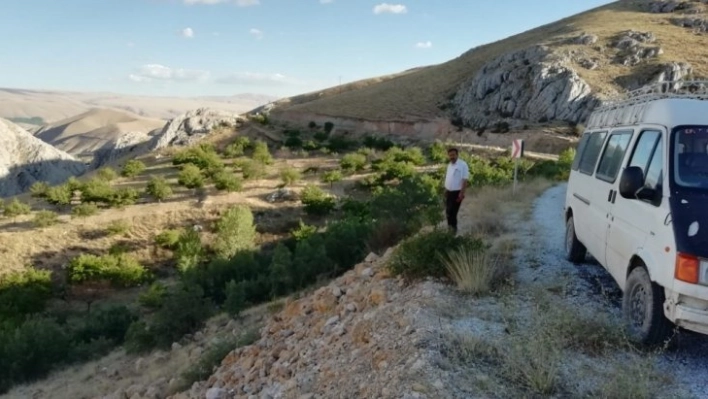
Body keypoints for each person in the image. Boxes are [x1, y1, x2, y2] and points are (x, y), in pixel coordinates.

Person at [444, 147, 469, 234]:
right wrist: (446, 190)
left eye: (453, 155)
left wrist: (461, 193)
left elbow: (465, 180)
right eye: (450, 155)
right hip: (449, 192)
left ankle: (453, 233)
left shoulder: (463, 165)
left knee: (453, 213)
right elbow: (448, 178)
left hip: (457, 193)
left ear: (457, 155)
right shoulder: (449, 165)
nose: (452, 157)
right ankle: (449, 230)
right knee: (448, 212)